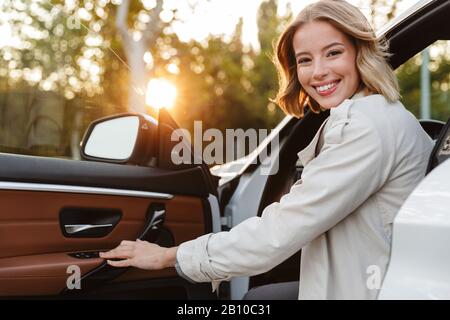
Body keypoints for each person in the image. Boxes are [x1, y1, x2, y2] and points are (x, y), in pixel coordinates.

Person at [100, 0, 433, 299]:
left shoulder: (365, 126)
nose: (318, 71)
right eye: (305, 60)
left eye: (333, 53)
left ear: (360, 53)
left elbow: (281, 231)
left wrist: (168, 256)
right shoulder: (376, 115)